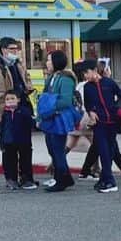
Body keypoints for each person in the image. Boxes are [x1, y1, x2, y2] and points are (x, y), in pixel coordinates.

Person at [77, 58, 121, 194]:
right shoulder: (87, 87)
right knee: (104, 152)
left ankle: (106, 179)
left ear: (94, 70)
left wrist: (118, 111)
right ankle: (109, 181)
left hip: (112, 123)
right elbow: (87, 104)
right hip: (99, 124)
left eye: (86, 73)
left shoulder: (109, 83)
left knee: (108, 152)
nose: (85, 76)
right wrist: (91, 111)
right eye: (83, 74)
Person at [39, 50, 78, 193]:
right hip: (49, 118)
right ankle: (64, 176)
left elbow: (65, 100)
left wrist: (50, 110)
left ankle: (62, 179)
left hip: (59, 118)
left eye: (49, 60)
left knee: (58, 149)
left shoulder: (66, 79)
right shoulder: (51, 77)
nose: (47, 63)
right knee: (51, 147)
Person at [0, 37, 33, 133]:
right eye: (12, 49)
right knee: (9, 143)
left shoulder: (18, 65)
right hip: (6, 113)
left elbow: (27, 81)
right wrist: (11, 103)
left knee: (25, 143)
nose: (15, 51)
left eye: (16, 49)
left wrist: (27, 88)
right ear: (3, 50)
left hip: (22, 109)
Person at [0, 91, 36, 191]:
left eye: (12, 98)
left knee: (25, 161)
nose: (10, 101)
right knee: (9, 161)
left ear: (18, 100)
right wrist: (1, 142)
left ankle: (27, 179)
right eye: (7, 99)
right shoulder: (5, 114)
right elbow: (2, 129)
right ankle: (11, 179)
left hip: (23, 141)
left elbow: (31, 124)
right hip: (8, 141)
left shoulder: (24, 111)